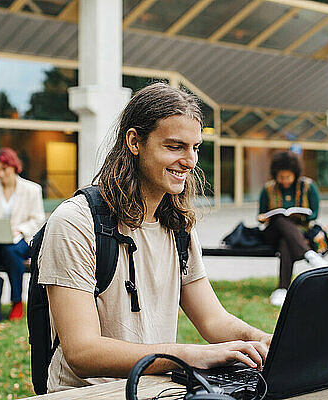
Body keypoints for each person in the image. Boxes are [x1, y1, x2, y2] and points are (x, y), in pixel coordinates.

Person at [37, 83, 272, 393]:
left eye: (195, 147)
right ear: (135, 141)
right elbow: (82, 352)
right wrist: (189, 355)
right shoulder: (75, 222)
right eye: (175, 146)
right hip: (89, 393)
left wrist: (265, 340)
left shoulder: (179, 225)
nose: (190, 161)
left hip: (156, 390)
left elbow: (213, 320)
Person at [0, 148, 45, 321]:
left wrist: (19, 229)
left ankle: (17, 301)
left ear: (14, 167)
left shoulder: (32, 189)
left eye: (4, 169)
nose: (0, 174)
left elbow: (38, 219)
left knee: (11, 252)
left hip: (20, 239)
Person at [258, 151, 327, 307]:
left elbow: (314, 213)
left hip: (299, 233)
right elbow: (260, 215)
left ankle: (282, 289)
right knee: (280, 219)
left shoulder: (308, 186)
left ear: (295, 174)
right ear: (275, 175)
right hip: (272, 232)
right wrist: (264, 217)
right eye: (281, 177)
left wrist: (300, 216)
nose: (284, 181)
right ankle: (309, 254)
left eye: (288, 177)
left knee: (286, 241)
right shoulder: (268, 188)